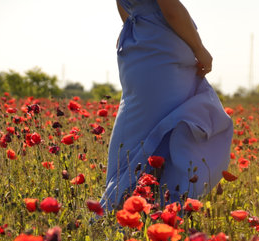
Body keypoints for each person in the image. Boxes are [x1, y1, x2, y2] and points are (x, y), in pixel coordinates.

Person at [100, 0, 233, 210]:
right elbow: (170, 9)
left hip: (137, 47)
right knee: (176, 122)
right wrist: (199, 48)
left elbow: (123, 5)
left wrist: (137, 23)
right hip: (162, 50)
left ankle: (126, 207)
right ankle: (161, 208)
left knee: (139, 131)